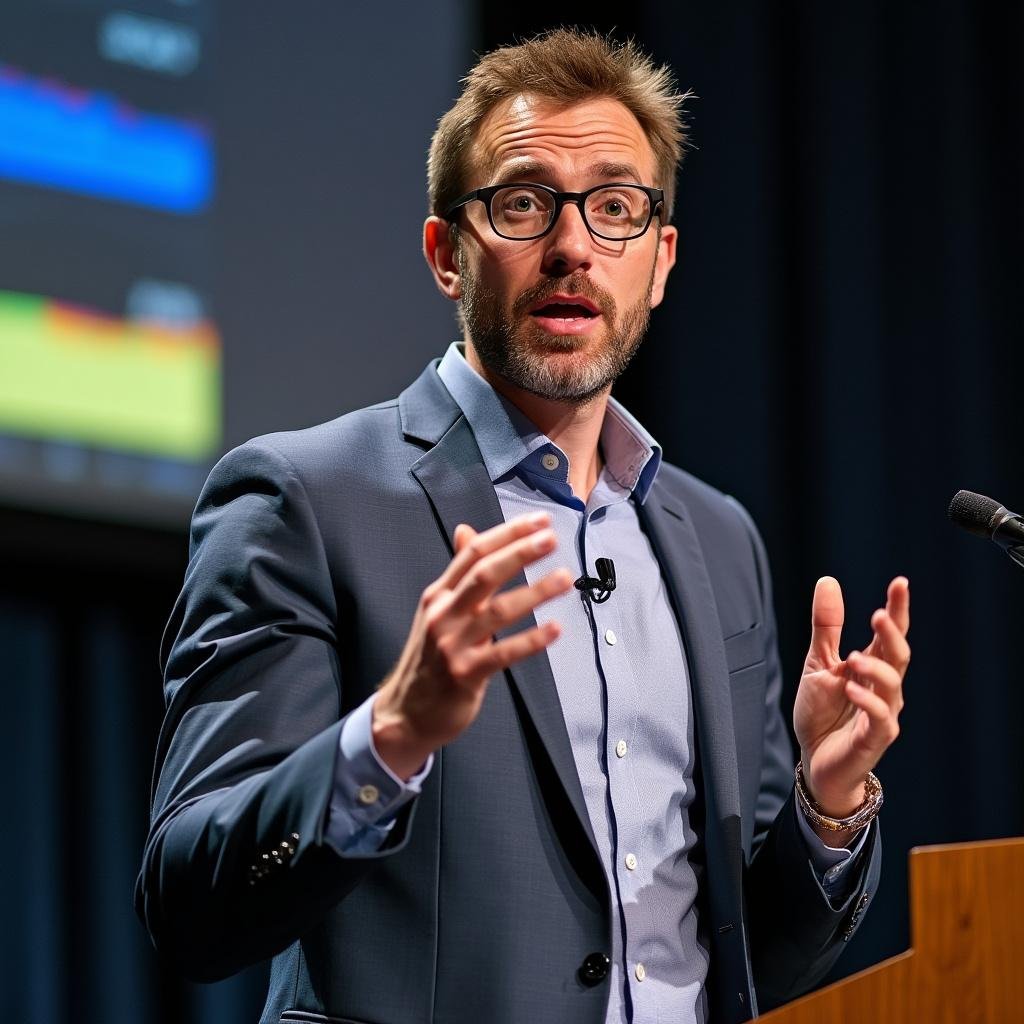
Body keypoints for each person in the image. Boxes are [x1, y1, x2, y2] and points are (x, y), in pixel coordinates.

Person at [136, 29, 910, 1024]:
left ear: (661, 260)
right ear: (444, 254)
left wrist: (826, 801)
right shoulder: (302, 501)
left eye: (616, 208)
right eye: (522, 203)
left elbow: (746, 960)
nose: (573, 246)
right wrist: (389, 735)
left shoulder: (717, 540)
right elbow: (192, 902)